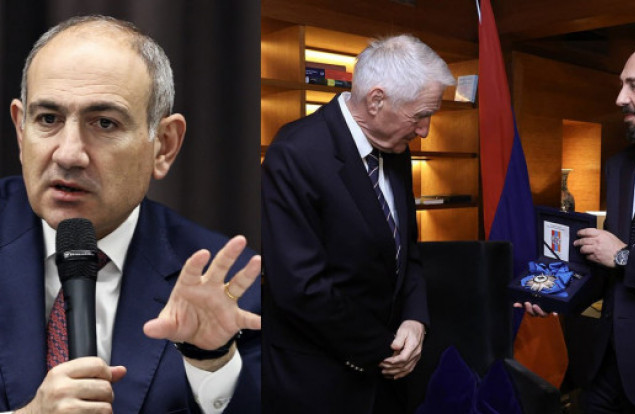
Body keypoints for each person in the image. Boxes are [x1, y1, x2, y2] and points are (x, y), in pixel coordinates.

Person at [0, 15, 261, 413]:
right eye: (48, 119)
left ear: (164, 146)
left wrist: (212, 361)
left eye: (104, 123)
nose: (68, 154)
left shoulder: (229, 283)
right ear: (21, 131)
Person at [261, 34, 455, 413]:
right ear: (376, 100)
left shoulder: (396, 148)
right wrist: (385, 350)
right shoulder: (296, 153)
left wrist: (415, 320)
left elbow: (407, 251)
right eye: (420, 115)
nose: (425, 130)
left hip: (389, 377)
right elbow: (301, 288)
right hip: (320, 381)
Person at [524, 42, 635, 413]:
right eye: (622, 84)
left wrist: (625, 255)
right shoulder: (619, 165)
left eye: (634, 86)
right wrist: (555, 293)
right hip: (604, 369)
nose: (620, 98)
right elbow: (607, 267)